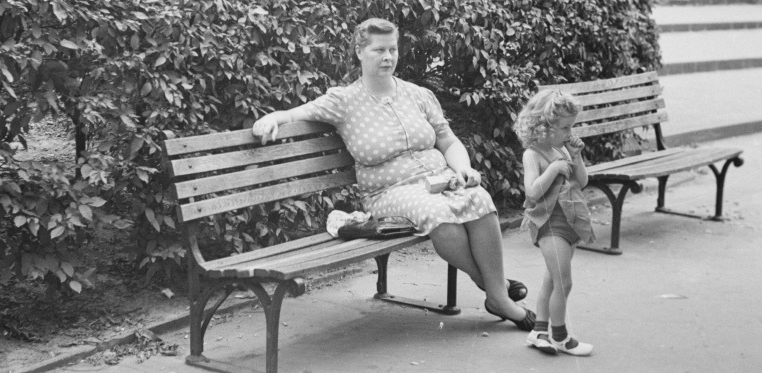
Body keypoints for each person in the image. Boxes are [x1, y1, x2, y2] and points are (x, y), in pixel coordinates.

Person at [253, 18, 535, 331]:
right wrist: (271, 120)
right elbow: (296, 113)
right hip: (387, 193)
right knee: (438, 212)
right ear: (360, 52)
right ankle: (496, 290)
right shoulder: (343, 101)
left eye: (392, 49)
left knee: (479, 198)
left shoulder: (418, 95)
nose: (388, 57)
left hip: (438, 179)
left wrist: (463, 168)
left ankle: (496, 293)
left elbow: (447, 139)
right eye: (378, 50)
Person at [514, 90, 596, 356]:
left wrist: (576, 156)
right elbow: (532, 193)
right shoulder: (533, 154)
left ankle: (538, 332)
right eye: (564, 127)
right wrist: (552, 169)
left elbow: (582, 182)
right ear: (544, 126)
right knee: (564, 282)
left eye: (571, 126)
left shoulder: (562, 148)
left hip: (569, 221)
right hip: (549, 224)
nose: (569, 132)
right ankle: (561, 336)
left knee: (552, 279)